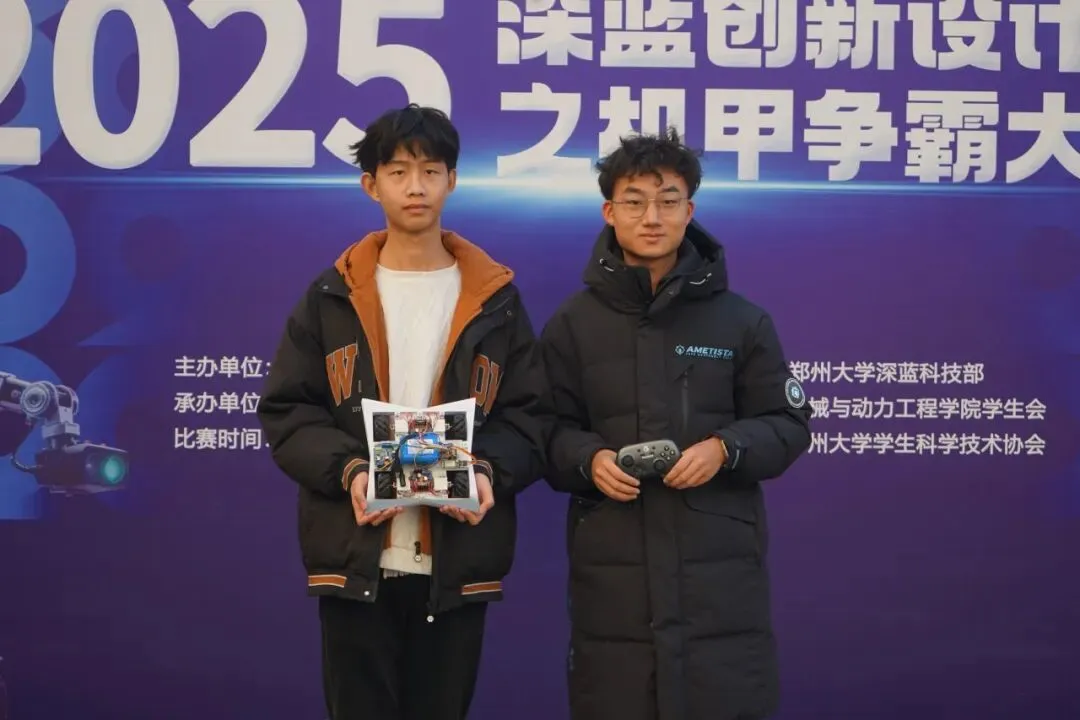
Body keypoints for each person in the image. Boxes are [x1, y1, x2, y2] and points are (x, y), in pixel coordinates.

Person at [256, 104, 548, 720]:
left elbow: (530, 417)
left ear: (452, 180)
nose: (416, 187)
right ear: (372, 185)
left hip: (457, 557)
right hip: (357, 555)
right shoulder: (332, 295)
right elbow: (289, 411)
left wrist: (486, 472)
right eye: (398, 171)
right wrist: (350, 472)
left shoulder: (495, 299)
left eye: (430, 170)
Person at [540, 128, 813, 720]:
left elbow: (789, 423)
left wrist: (726, 448)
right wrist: (588, 459)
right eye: (634, 201)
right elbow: (544, 428)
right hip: (614, 572)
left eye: (668, 200)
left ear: (689, 211)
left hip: (718, 579)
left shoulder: (742, 321)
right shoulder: (573, 324)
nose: (652, 217)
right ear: (610, 212)